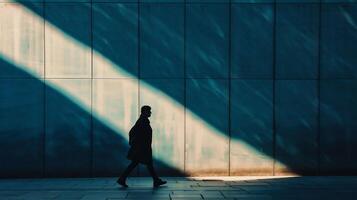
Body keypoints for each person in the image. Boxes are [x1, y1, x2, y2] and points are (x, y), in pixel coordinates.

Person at [117, 105, 167, 188]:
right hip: (142, 148)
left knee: (143, 164)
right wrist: (138, 144)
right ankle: (156, 180)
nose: (150, 112)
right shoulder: (143, 121)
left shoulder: (143, 120)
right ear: (144, 112)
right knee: (144, 164)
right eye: (149, 111)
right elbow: (137, 133)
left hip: (142, 148)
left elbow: (134, 132)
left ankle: (156, 180)